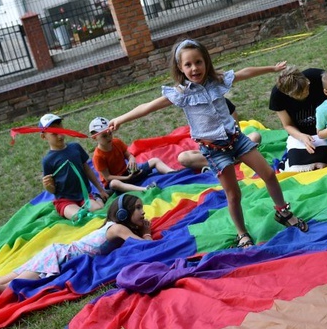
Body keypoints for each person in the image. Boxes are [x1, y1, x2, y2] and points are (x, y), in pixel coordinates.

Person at [108, 39, 307, 249]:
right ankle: (242, 234)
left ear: (206, 62)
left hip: (236, 140)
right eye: (188, 64)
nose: (194, 68)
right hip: (214, 151)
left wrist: (272, 69)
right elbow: (147, 107)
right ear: (180, 68)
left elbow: (244, 72)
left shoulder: (217, 81)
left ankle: (282, 211)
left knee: (268, 173)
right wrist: (120, 119)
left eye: (198, 62)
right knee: (233, 193)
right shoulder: (181, 93)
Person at [0, 195, 152, 299]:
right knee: (9, 287)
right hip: (59, 257)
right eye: (137, 208)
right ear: (123, 213)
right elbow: (147, 247)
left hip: (57, 252)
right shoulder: (118, 228)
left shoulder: (114, 227)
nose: (142, 212)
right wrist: (146, 232)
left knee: (0, 280)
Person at [39, 113, 109, 220]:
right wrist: (48, 187)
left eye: (61, 131)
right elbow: (53, 190)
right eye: (54, 133)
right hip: (65, 200)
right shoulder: (48, 160)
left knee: (98, 209)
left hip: (84, 195)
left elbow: (87, 169)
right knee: (78, 216)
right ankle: (73, 209)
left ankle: (96, 198)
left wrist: (101, 190)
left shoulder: (75, 147)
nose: (60, 136)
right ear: (43, 136)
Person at [269, 66, 327, 171]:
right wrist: (301, 136)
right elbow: (287, 124)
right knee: (297, 167)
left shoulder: (318, 76)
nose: (307, 93)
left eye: (307, 88)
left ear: (307, 80)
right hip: (301, 135)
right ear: (287, 94)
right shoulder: (277, 95)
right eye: (300, 95)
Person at [89, 117, 175, 193]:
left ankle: (174, 173)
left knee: (155, 160)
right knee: (114, 184)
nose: (109, 138)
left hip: (128, 173)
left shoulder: (117, 142)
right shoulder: (98, 156)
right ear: (94, 137)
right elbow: (108, 177)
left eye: (110, 134)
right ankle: (145, 189)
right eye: (104, 136)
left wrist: (132, 159)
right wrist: (127, 178)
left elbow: (129, 155)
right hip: (117, 182)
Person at [177, 98, 262, 173]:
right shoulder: (196, 110)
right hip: (213, 150)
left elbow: (237, 131)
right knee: (183, 158)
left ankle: (221, 165)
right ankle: (228, 162)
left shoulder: (225, 103)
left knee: (255, 136)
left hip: (233, 145)